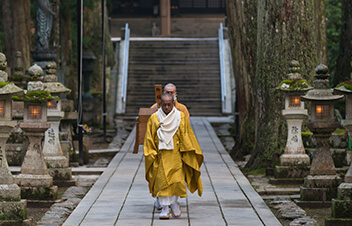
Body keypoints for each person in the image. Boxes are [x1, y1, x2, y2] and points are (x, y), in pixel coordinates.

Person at [144, 93, 203, 219]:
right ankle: (165, 209)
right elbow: (149, 139)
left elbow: (186, 136)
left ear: (173, 104)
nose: (166, 107)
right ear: (160, 104)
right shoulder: (154, 118)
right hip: (160, 155)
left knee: (175, 182)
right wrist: (152, 153)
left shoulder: (180, 117)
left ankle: (174, 203)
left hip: (176, 155)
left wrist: (186, 152)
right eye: (164, 105)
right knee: (161, 182)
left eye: (169, 104)